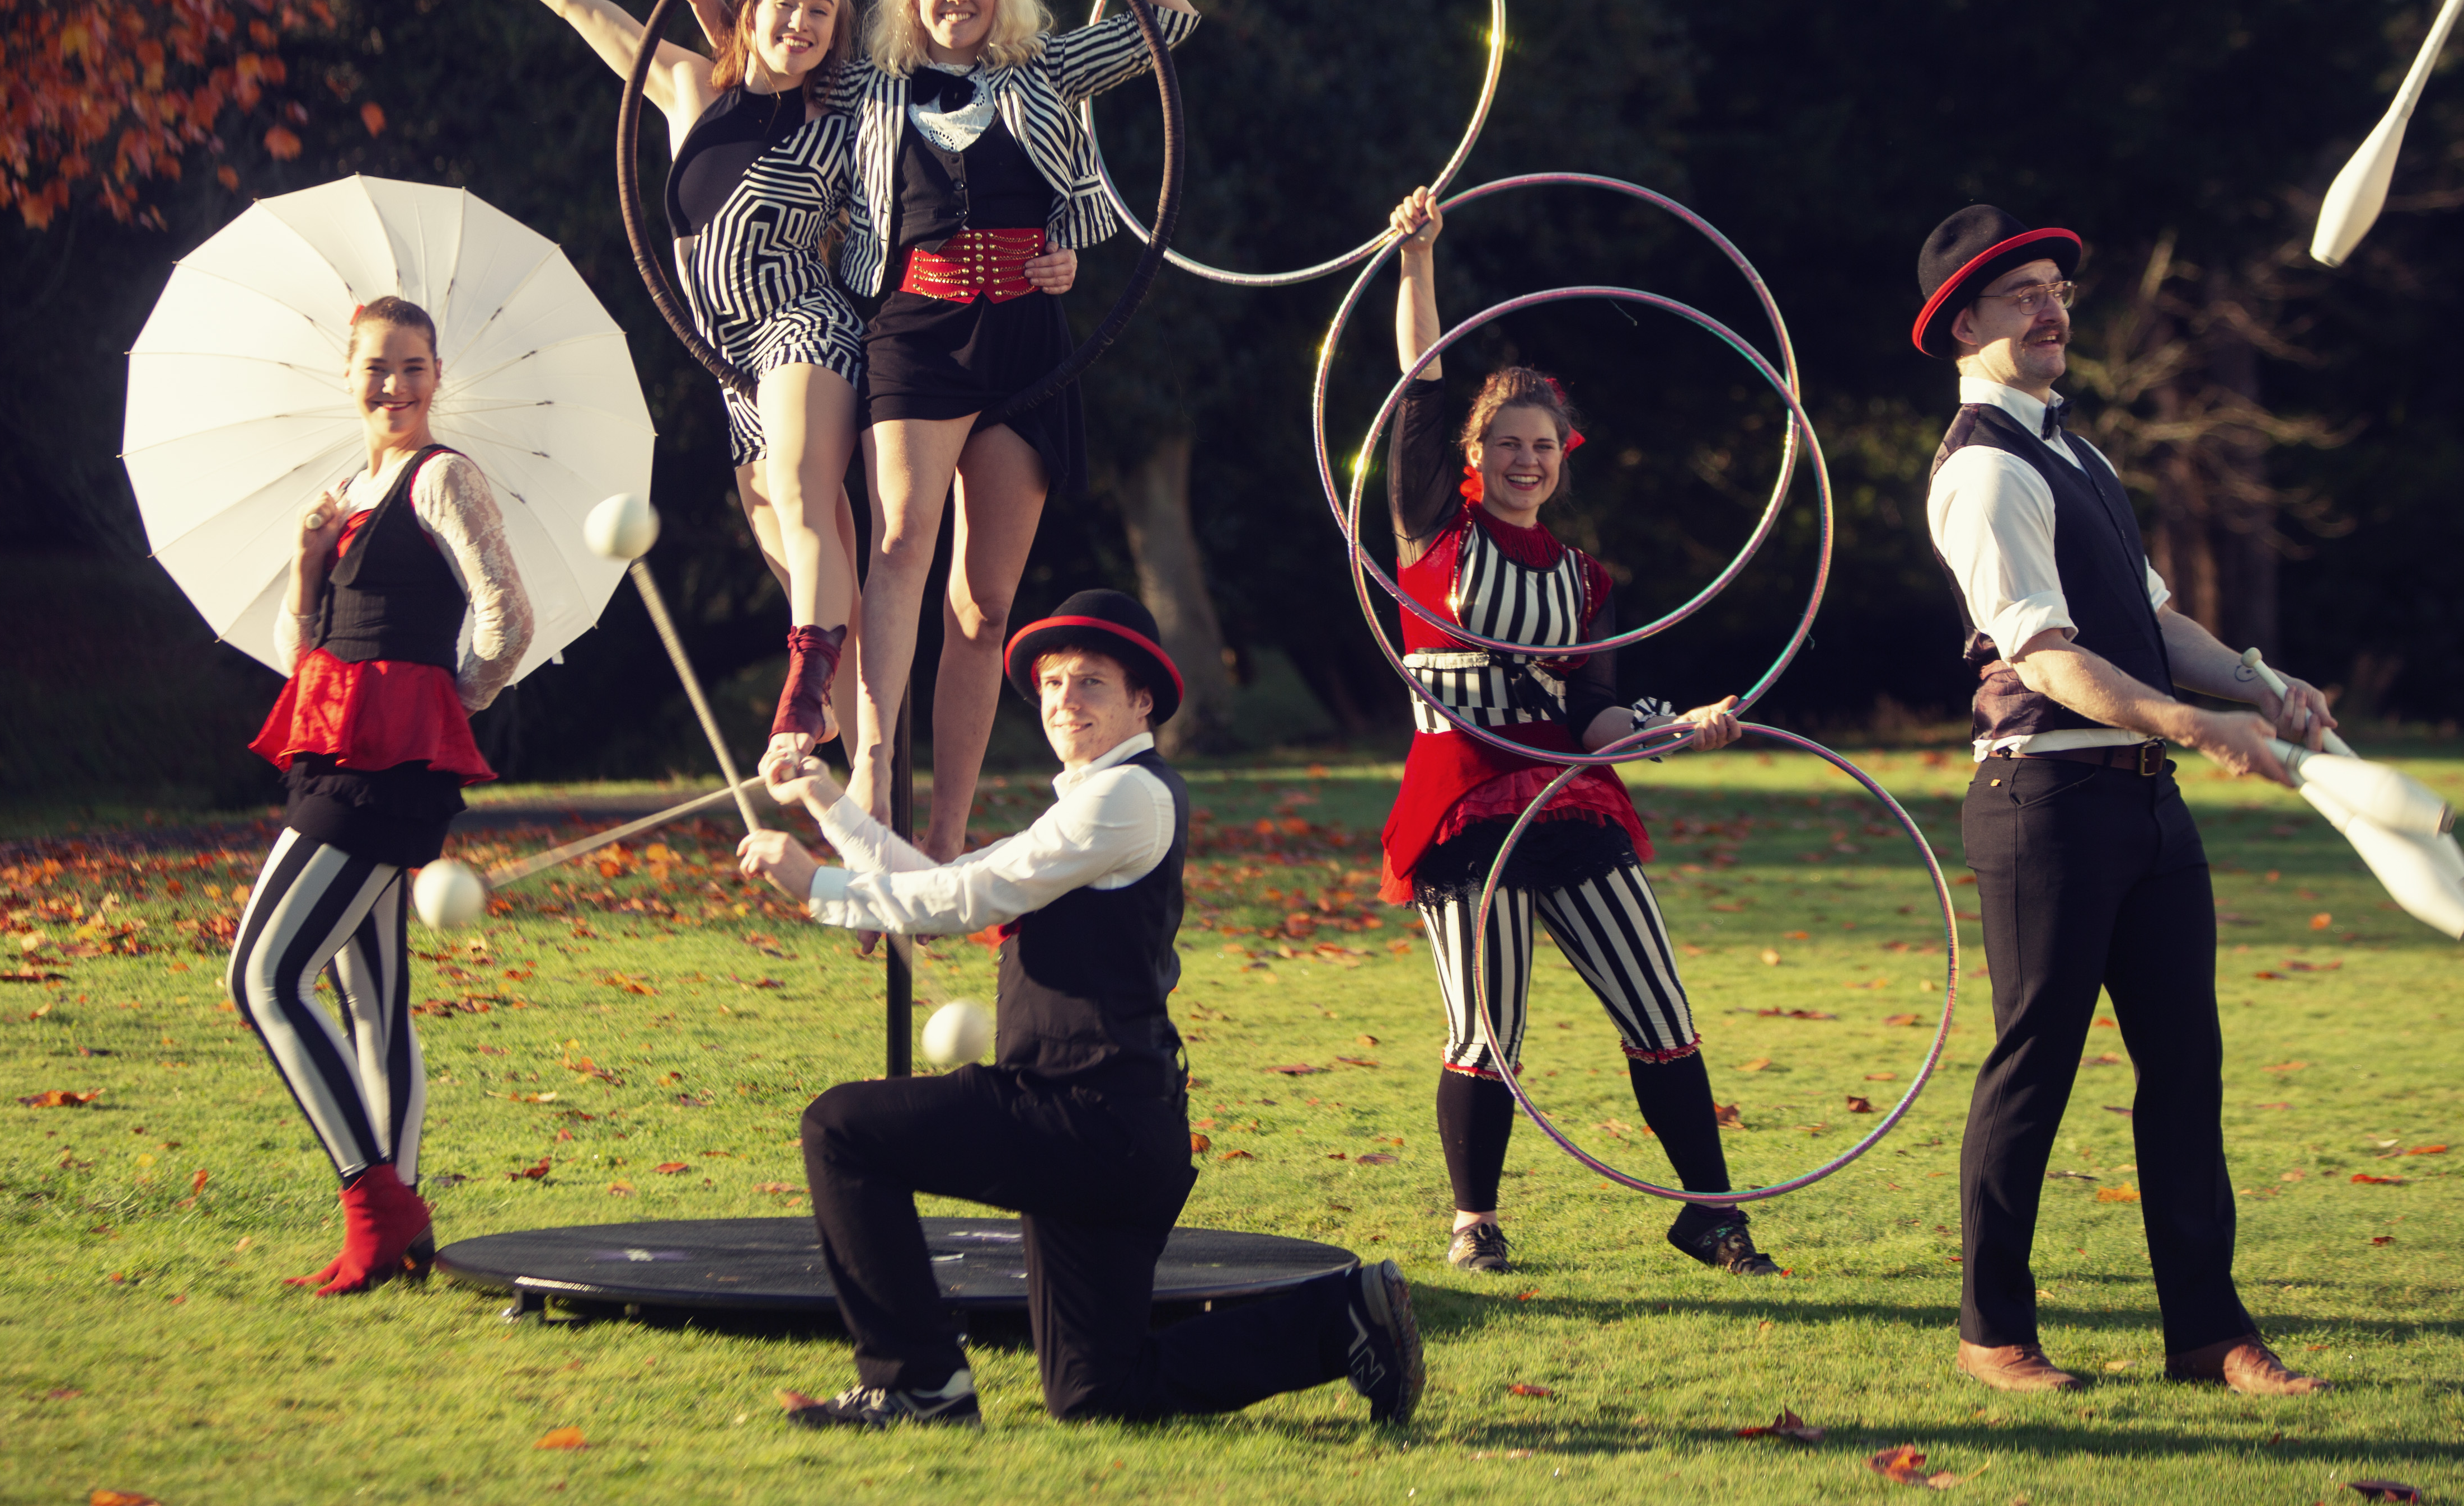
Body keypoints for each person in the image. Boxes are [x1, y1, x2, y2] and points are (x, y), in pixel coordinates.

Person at [735, 590, 1422, 1430]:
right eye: (1053, 683)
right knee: (1100, 1394)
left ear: (1142, 702)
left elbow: (964, 897)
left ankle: (916, 1381)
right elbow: (934, 881)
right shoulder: (1090, 803)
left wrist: (814, 887)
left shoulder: (1127, 799)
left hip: (1087, 1116)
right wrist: (824, 801)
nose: (1064, 700)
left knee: (841, 1128)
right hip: (1108, 1134)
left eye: (1090, 682)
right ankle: (1344, 1317)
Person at [1911, 202, 2336, 1396]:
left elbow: (2150, 623)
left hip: (2147, 810)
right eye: (2020, 296)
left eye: (2055, 289)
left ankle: (2207, 1332)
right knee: (2033, 1069)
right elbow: (2046, 658)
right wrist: (2201, 723)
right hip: (2046, 808)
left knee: (2185, 1069)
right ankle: (1995, 1331)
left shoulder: (2074, 452)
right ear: (1961, 328)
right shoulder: (1985, 472)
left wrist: (2262, 682)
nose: (2051, 310)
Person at [1379, 187, 1768, 1280]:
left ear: (1565, 456)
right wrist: (1418, 264)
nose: (1527, 460)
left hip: (1565, 798)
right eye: (1507, 443)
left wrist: (1674, 731)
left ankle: (1712, 1213)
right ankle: (1476, 1223)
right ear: (1472, 453)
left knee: (1659, 1004)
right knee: (1486, 1029)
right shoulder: (1428, 529)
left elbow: (1594, 712)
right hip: (1461, 806)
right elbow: (1419, 386)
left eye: (1543, 445)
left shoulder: (1584, 579)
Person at [427, 0, 863, 760]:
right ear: (750, 8)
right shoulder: (689, 87)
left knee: (799, 501)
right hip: (730, 364)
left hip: (804, 326)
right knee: (810, 570)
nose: (805, 22)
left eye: (823, 12)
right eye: (787, 2)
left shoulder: (844, 119)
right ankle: (866, 810)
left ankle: (804, 696)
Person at [819, 0, 1196, 857]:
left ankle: (945, 833)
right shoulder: (868, 85)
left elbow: (1175, 21)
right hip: (917, 330)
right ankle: (871, 767)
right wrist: (700, 0)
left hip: (1027, 337)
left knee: (985, 604)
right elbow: (759, 68)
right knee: (902, 541)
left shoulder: (1045, 68)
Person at [229, 295, 534, 1294]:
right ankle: (397, 1229)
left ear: (437, 376)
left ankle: (376, 1202)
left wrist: (448, 708)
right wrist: (304, 564)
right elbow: (298, 653)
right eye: (375, 368)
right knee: (373, 996)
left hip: (390, 765)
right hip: (326, 745)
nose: (393, 386)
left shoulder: (444, 478)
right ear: (348, 378)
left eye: (411, 367)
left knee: (264, 978)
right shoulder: (340, 494)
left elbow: (507, 615)